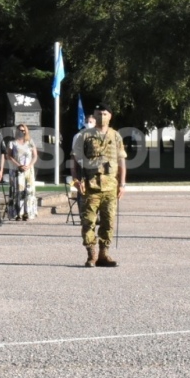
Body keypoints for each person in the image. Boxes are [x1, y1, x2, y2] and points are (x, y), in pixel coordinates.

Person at [70, 103, 125, 267]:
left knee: (108, 222)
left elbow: (121, 160)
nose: (102, 116)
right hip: (90, 186)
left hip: (110, 187)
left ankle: (104, 254)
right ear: (94, 115)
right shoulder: (84, 136)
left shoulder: (116, 136)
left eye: (105, 113)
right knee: (88, 222)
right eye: (98, 113)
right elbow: (74, 160)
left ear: (110, 116)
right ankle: (91, 255)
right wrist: (75, 180)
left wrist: (122, 184)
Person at [8, 124, 39, 221]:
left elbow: (35, 156)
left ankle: (28, 212)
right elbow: (9, 156)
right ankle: (18, 213)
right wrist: (18, 165)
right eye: (20, 130)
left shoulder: (30, 142)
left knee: (29, 191)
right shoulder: (12, 143)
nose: (22, 132)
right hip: (17, 170)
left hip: (28, 170)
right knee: (18, 192)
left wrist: (29, 165)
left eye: (23, 130)